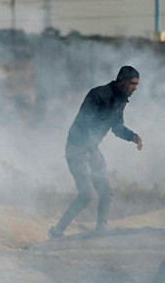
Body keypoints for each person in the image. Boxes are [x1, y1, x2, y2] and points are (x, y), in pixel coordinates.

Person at [49, 66, 142, 238]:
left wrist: (132, 137)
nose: (135, 88)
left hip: (92, 149)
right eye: (132, 84)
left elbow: (117, 127)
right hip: (77, 149)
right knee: (86, 195)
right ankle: (57, 231)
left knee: (106, 192)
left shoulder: (121, 99)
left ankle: (101, 230)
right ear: (121, 81)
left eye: (136, 85)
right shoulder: (98, 94)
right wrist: (89, 149)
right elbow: (83, 124)